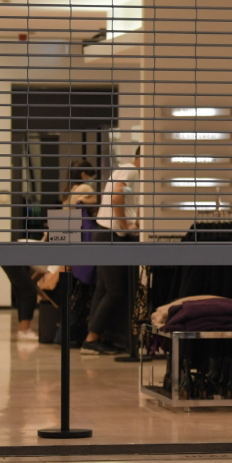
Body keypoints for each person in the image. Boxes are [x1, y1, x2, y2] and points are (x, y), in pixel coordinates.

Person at [85, 148, 139, 353]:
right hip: (111, 236)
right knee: (115, 292)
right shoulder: (132, 171)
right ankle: (91, 339)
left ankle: (96, 336)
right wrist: (125, 226)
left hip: (103, 233)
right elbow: (118, 198)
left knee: (103, 289)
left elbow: (126, 199)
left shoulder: (125, 171)